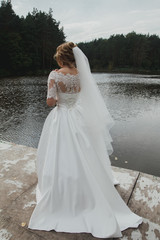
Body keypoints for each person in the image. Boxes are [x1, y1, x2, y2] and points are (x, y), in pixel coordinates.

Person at [28, 42, 143, 238]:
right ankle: (91, 183)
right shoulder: (81, 73)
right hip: (78, 117)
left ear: (61, 57)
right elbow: (83, 95)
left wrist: (56, 96)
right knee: (84, 152)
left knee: (61, 154)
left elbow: (50, 101)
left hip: (62, 117)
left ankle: (64, 191)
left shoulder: (55, 74)